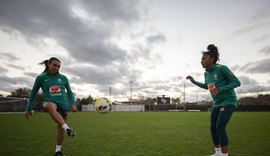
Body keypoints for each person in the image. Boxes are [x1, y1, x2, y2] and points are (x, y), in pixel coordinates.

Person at [186, 44, 241, 156]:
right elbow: (207, 86)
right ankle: (217, 153)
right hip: (217, 103)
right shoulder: (206, 73)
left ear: (212, 59)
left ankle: (225, 155)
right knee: (213, 128)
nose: (201, 61)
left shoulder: (222, 69)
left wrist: (220, 88)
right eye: (201, 59)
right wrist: (193, 81)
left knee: (220, 127)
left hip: (228, 101)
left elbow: (237, 82)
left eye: (204, 59)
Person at [25, 57, 78, 156]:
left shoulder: (63, 78)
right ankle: (67, 128)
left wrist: (73, 104)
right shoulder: (41, 78)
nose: (57, 68)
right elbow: (33, 93)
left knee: (60, 129)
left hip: (63, 105)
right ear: (49, 64)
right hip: (50, 102)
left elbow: (70, 92)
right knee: (48, 105)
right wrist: (28, 108)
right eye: (55, 65)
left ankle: (58, 151)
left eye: (58, 66)